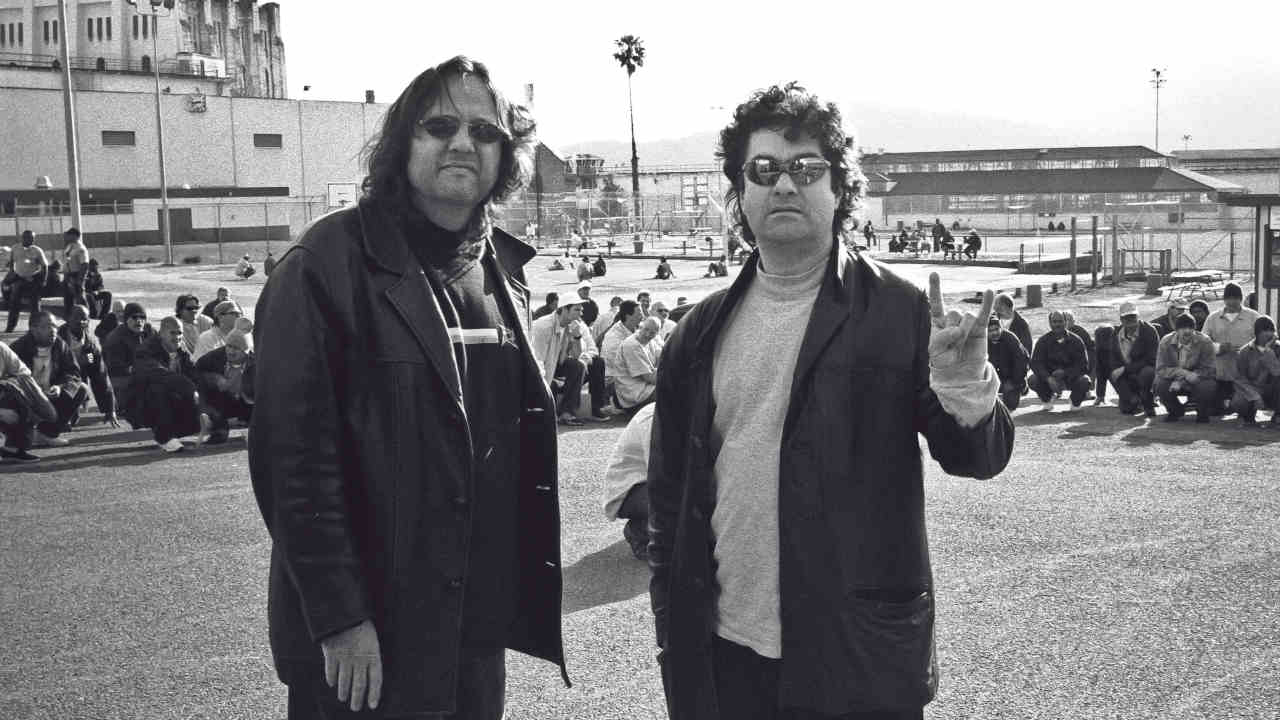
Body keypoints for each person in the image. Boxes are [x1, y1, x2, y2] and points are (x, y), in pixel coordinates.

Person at [648, 82, 1013, 720]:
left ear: (840, 189)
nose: (784, 185)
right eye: (763, 170)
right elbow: (669, 497)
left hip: (858, 653)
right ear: (740, 192)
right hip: (725, 650)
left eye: (806, 168)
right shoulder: (698, 331)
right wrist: (669, 623)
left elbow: (977, 459)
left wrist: (963, 391)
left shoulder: (899, 311)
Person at [249, 56, 567, 718]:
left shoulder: (503, 271)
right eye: (440, 125)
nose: (463, 143)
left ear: (505, 155)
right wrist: (339, 618)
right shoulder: (324, 267)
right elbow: (293, 463)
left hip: (472, 631)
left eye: (485, 132)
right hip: (373, 637)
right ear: (403, 143)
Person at [130, 316, 209, 452]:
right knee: (159, 387)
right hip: (140, 404)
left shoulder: (181, 349)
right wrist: (190, 388)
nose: (177, 337)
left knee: (204, 384)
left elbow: (194, 373)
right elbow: (160, 374)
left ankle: (205, 427)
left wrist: (202, 396)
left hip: (171, 399)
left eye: (180, 333)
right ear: (161, 334)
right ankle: (164, 437)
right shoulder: (145, 350)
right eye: (173, 333)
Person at [530, 297, 614, 424]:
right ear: (564, 309)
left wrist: (576, 337)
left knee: (596, 362)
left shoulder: (577, 325)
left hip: (561, 363)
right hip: (543, 367)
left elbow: (585, 353)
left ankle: (594, 409)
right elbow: (538, 359)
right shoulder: (544, 326)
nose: (581, 314)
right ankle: (563, 410)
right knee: (576, 366)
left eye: (581, 310)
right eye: (577, 310)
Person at [9, 310, 87, 446]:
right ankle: (17, 436)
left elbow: (74, 373)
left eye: (55, 326)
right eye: (47, 326)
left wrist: (59, 386)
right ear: (33, 328)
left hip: (50, 395)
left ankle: (45, 434)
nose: (53, 330)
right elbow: (7, 379)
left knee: (81, 388)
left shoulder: (61, 345)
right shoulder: (17, 348)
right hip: (24, 397)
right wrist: (30, 391)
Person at [601, 403, 656, 560]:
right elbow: (661, 474)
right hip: (629, 490)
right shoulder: (654, 419)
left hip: (650, 482)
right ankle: (640, 531)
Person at [1202, 282, 1260, 416]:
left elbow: (1263, 340)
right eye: (1229, 298)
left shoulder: (1254, 317)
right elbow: (1203, 342)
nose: (1232, 302)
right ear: (1224, 299)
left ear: (1241, 299)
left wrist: (1247, 349)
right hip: (1219, 371)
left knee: (1242, 407)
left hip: (1246, 371)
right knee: (1215, 410)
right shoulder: (1212, 318)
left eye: (1236, 298)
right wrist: (1219, 348)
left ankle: (1243, 406)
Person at [57, 304, 117, 427]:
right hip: (54, 381)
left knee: (89, 364)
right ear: (68, 318)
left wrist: (110, 409)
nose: (80, 321)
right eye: (76, 317)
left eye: (84, 319)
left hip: (77, 381)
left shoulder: (90, 346)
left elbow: (100, 376)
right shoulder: (56, 338)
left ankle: (79, 401)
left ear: (88, 321)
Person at [194, 328, 255, 443]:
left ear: (246, 351)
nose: (230, 351)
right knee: (207, 390)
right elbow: (195, 373)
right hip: (224, 400)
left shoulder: (257, 360)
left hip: (248, 400)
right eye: (229, 346)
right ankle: (219, 429)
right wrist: (214, 378)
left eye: (236, 348)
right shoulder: (213, 357)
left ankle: (256, 428)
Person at [1155, 313, 1217, 423]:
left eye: (1190, 328)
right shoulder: (1165, 341)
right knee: (1159, 384)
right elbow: (1160, 369)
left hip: (1197, 378)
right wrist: (1183, 373)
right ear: (1176, 330)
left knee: (1208, 385)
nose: (1187, 331)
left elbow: (1210, 369)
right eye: (1183, 328)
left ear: (1195, 329)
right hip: (1175, 378)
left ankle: (1202, 412)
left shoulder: (1205, 342)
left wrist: (1185, 380)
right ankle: (1175, 411)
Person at [0, 340, 56, 462]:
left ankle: (12, 448)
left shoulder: (64, 346)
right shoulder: (21, 345)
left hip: (18, 387)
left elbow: (91, 363)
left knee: (15, 392)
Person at [102, 302, 154, 426]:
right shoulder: (115, 338)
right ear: (126, 319)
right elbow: (115, 369)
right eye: (134, 317)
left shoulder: (149, 331)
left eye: (142, 317)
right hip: (120, 379)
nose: (139, 321)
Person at [1105, 302, 1159, 417]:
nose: (1130, 320)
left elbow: (1152, 359)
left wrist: (1125, 369)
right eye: (1126, 317)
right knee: (1127, 409)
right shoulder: (1116, 333)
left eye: (1133, 316)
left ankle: (1147, 400)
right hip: (1126, 375)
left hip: (1143, 371)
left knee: (1148, 372)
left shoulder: (1149, 331)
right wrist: (1117, 370)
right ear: (1121, 319)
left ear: (1138, 316)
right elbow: (1113, 358)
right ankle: (1132, 398)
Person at [1029, 310, 1091, 411]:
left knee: (1085, 381)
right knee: (1032, 379)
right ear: (1050, 323)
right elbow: (1036, 364)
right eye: (1054, 321)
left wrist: (1066, 373)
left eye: (1060, 321)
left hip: (1071, 378)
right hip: (1050, 380)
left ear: (1066, 322)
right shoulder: (1042, 341)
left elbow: (1083, 364)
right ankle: (1047, 398)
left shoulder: (1076, 340)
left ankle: (1074, 401)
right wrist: (1048, 378)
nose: (1057, 324)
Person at [1231, 315, 1280, 427]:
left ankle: (1278, 414)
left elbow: (1277, 373)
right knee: (1238, 402)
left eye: (1271, 330)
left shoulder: (1278, 348)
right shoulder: (1245, 351)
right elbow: (1239, 379)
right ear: (1257, 333)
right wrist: (1254, 396)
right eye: (1265, 330)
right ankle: (1247, 415)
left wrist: (1269, 354)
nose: (1269, 334)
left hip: (1272, 390)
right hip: (1253, 389)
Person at [5, 230, 48, 333]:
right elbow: (11, 262)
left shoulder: (37, 250)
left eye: (32, 238)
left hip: (33, 280)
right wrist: (11, 274)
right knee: (14, 303)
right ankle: (10, 327)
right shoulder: (15, 248)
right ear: (22, 238)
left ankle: (34, 328)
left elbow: (45, 266)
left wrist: (43, 280)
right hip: (19, 279)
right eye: (27, 237)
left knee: (35, 306)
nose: (30, 240)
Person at [615, 316, 661, 409]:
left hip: (646, 387)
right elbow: (650, 378)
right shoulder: (632, 345)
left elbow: (662, 357)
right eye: (646, 330)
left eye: (652, 332)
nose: (647, 334)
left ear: (657, 333)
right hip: (635, 395)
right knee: (675, 387)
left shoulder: (652, 341)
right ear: (641, 327)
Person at [987, 312, 1028, 410]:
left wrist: (1014, 381)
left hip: (1011, 377)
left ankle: (1022, 387)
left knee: (1011, 405)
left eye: (996, 329)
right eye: (990, 330)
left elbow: (1022, 361)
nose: (994, 333)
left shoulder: (1010, 338)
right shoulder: (982, 342)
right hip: (992, 378)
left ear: (1001, 328)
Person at [602, 299, 642, 379]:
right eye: (639, 314)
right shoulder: (613, 337)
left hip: (638, 372)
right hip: (616, 378)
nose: (642, 317)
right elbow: (622, 363)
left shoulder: (641, 328)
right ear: (628, 316)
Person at [1061, 310, 1096, 392]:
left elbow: (1090, 348)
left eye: (1069, 319)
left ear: (1074, 321)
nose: (1067, 322)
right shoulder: (1057, 332)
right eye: (1065, 320)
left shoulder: (1080, 332)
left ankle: (1088, 387)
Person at [62, 227, 90, 318]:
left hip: (76, 275)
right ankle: (69, 318)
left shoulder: (80, 248)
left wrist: (80, 280)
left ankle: (85, 316)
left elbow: (84, 264)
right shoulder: (70, 246)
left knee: (80, 298)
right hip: (69, 276)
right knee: (68, 299)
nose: (67, 237)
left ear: (75, 236)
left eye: (69, 235)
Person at [994, 292, 1033, 356]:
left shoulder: (1022, 324)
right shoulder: (993, 320)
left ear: (1009, 307)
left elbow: (1027, 350)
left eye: (999, 308)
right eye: (995, 308)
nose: (996, 311)